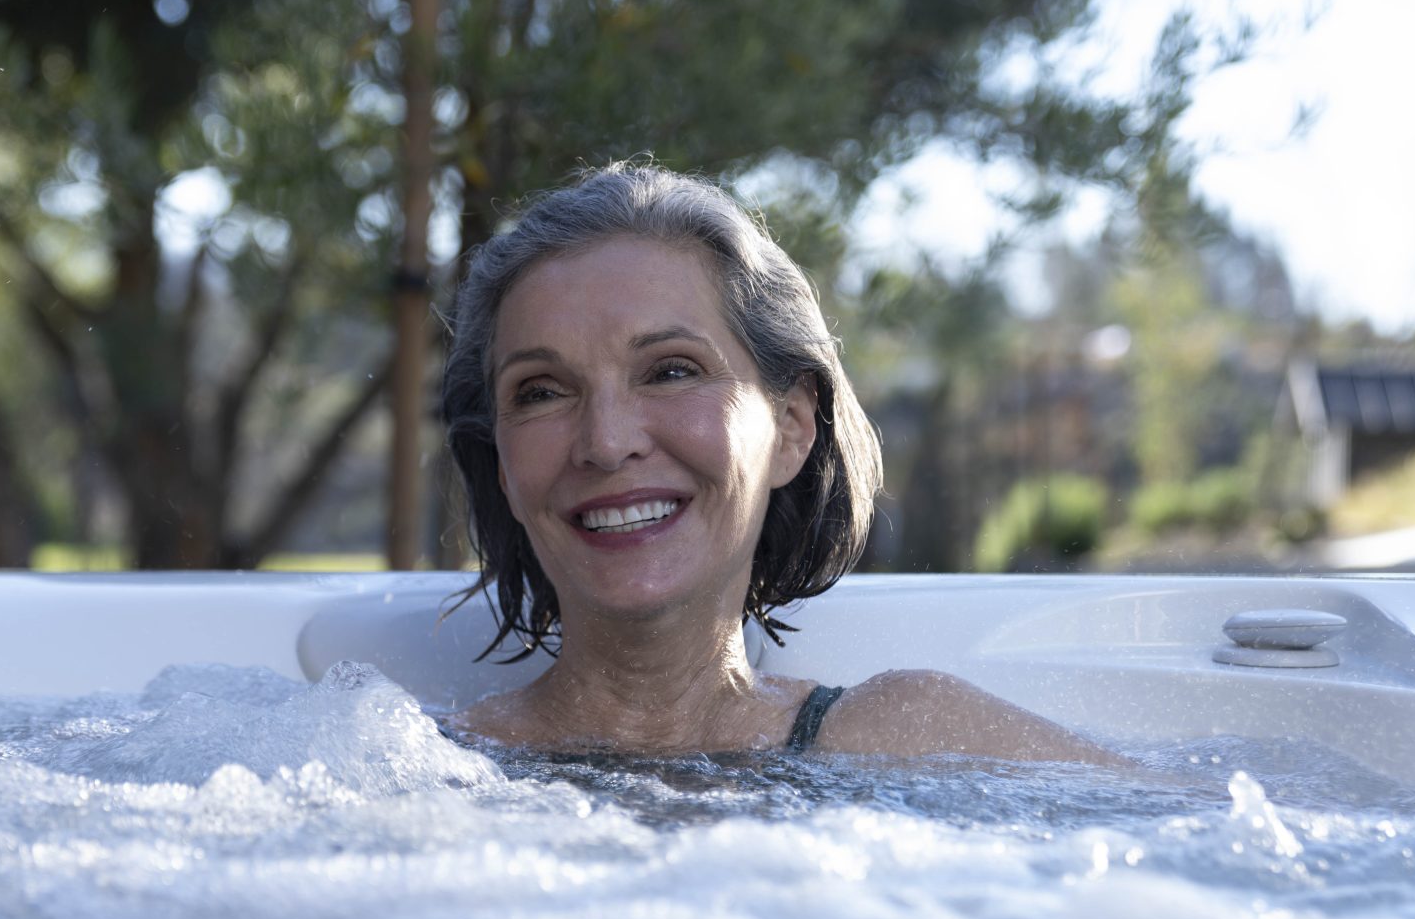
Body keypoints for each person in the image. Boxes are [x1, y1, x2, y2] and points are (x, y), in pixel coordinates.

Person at [443, 164, 1125, 763]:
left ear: (792, 426)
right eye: (541, 391)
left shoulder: (916, 737)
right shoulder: (420, 770)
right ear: (502, 461)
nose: (606, 440)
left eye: (671, 371)